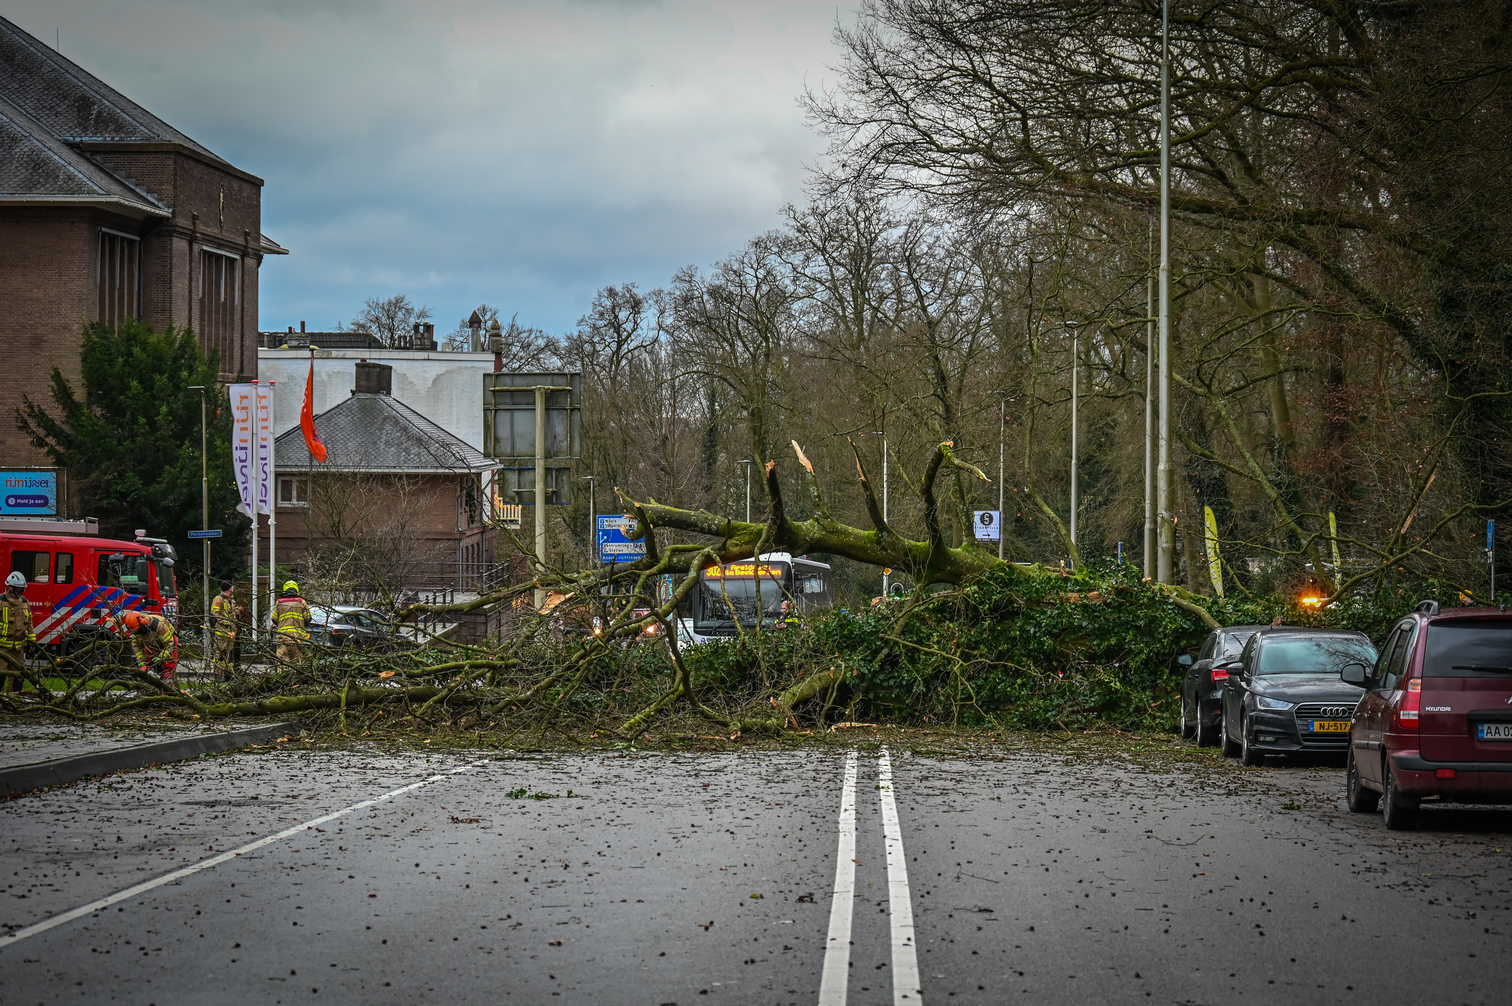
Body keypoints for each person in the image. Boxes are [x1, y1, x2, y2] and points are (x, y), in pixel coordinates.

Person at [1, 571, 35, 693]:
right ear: (10, 588)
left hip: (18, 650)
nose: (20, 593)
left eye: (22, 590)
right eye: (18, 590)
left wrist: (32, 640)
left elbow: (29, 621)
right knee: (0, 677)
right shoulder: (1, 601)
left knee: (18, 679)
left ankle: (14, 703)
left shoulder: (25, 603)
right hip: (2, 650)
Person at [122, 609, 178, 683]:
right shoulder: (136, 629)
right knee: (149, 665)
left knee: (168, 667)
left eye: (138, 630)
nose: (138, 633)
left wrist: (161, 657)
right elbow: (136, 646)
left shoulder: (160, 626)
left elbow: (169, 644)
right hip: (150, 644)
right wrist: (141, 661)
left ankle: (167, 688)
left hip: (168, 643)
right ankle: (151, 688)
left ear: (143, 622)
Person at [209, 580, 241, 681]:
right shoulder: (219, 599)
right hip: (222, 632)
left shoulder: (231, 600)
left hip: (231, 632)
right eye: (232, 586)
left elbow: (231, 613)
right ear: (228, 588)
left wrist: (238, 611)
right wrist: (227, 623)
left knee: (229, 654)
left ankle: (227, 675)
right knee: (221, 654)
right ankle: (218, 674)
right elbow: (215, 614)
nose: (233, 588)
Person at [273, 581, 311, 663]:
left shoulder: (279, 602)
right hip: (298, 637)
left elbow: (274, 619)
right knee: (299, 662)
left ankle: (280, 675)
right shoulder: (301, 602)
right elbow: (308, 618)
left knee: (282, 661)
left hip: (283, 637)